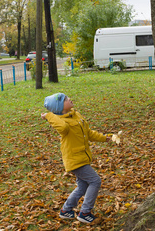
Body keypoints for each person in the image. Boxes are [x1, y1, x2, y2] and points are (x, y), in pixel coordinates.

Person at [41, 92, 110, 224]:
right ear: (60, 107)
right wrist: (49, 116)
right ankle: (85, 212)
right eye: (66, 99)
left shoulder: (76, 115)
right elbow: (63, 127)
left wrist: (104, 138)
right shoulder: (62, 123)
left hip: (82, 157)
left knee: (82, 186)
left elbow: (88, 133)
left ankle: (66, 210)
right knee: (95, 181)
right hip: (74, 160)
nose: (69, 99)